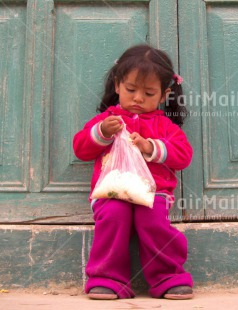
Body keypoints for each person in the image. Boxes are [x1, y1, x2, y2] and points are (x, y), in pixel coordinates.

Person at [73, 44, 194, 300]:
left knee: (151, 219)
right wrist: (103, 133)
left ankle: (169, 277)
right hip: (111, 191)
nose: (138, 98)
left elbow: (184, 155)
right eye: (131, 90)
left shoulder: (164, 125)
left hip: (154, 193)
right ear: (117, 85)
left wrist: (150, 147)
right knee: (114, 215)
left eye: (149, 93)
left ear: (164, 95)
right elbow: (81, 149)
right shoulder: (107, 119)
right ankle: (107, 278)